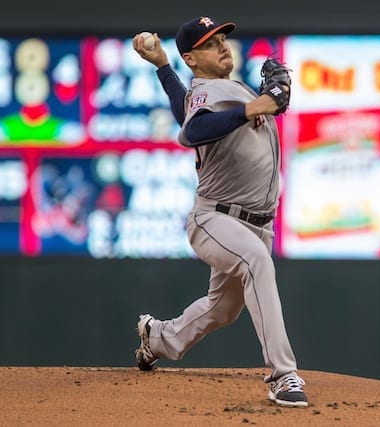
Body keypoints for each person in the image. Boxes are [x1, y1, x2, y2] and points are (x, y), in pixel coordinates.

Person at [131, 16, 308, 408]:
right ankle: (284, 376)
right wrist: (251, 109)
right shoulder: (209, 91)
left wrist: (163, 66)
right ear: (193, 60)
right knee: (256, 261)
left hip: (256, 223)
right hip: (215, 219)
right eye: (211, 43)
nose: (223, 46)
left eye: (222, 38)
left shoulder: (227, 89)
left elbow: (185, 113)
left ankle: (157, 337)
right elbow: (193, 131)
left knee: (222, 309)